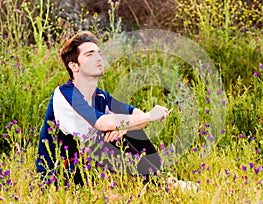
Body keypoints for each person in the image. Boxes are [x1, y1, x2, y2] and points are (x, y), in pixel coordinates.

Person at [35, 31, 169, 185]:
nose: (98, 58)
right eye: (90, 54)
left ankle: (161, 179)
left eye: (99, 53)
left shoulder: (100, 96)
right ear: (74, 66)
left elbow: (137, 115)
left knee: (131, 130)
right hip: (61, 174)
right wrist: (150, 116)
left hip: (90, 168)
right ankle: (163, 182)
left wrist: (124, 128)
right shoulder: (65, 93)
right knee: (108, 132)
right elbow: (103, 123)